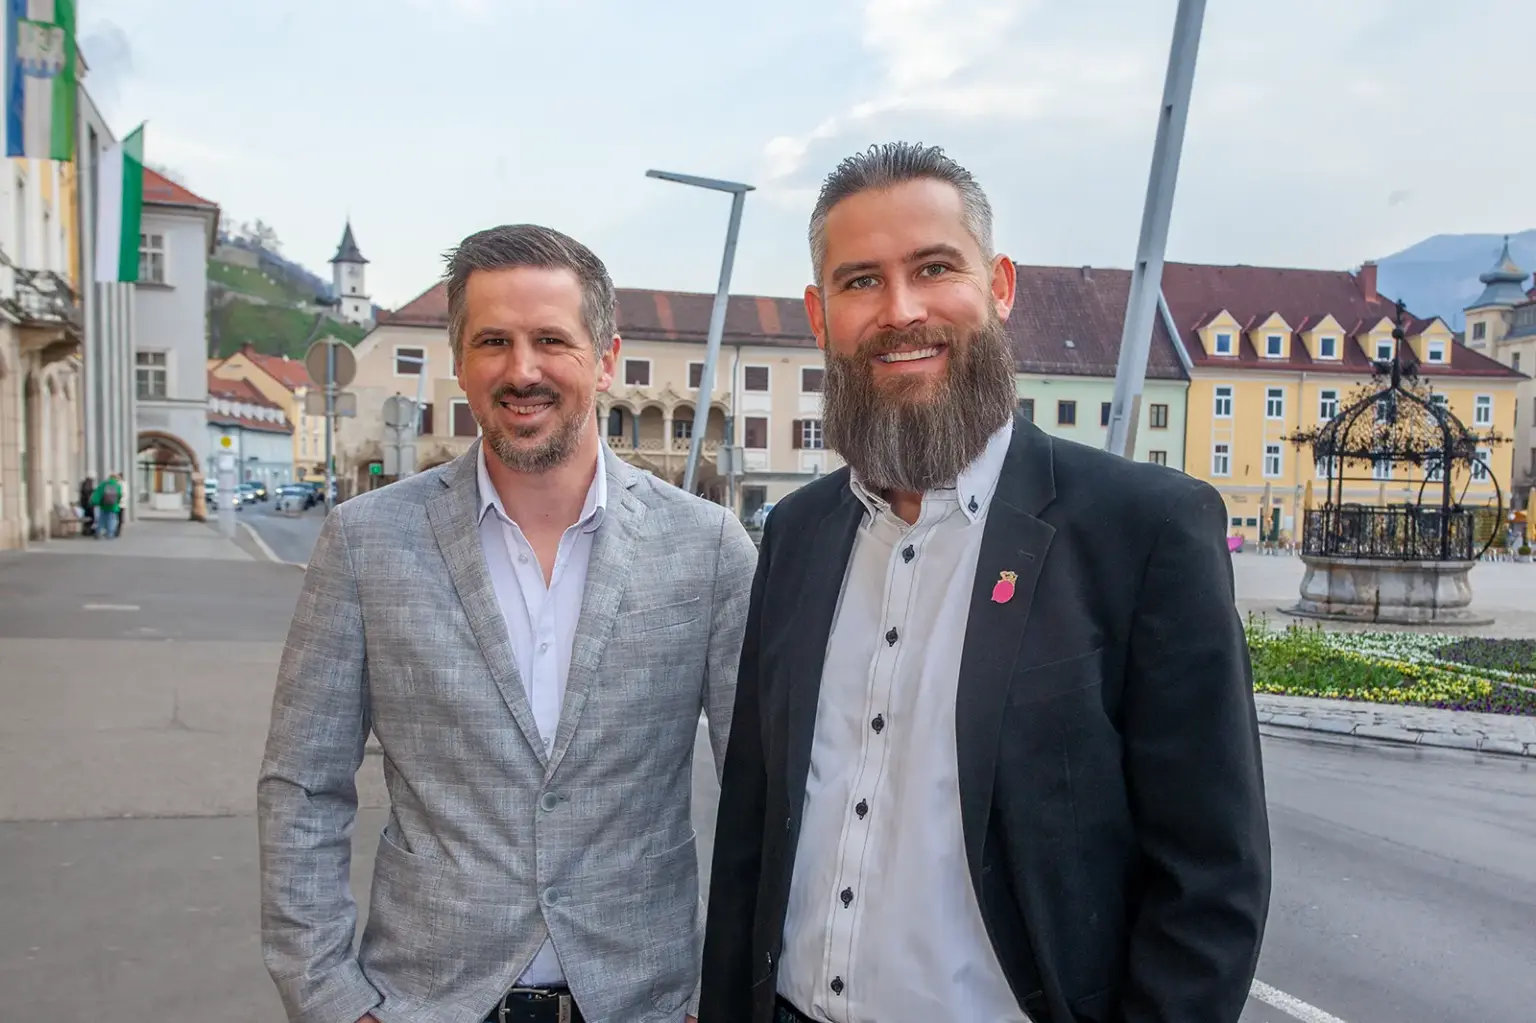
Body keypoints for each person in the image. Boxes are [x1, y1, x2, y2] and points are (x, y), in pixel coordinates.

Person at [699, 143, 1271, 1023]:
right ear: (819, 314)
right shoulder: (798, 533)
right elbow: (752, 823)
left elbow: (1209, 881)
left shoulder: (1142, 532)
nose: (901, 311)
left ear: (999, 284)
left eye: (935, 268)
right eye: (860, 282)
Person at [258, 224, 757, 1023]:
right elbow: (302, 786)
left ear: (604, 357)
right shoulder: (365, 542)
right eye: (493, 340)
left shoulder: (708, 549)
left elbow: (758, 801)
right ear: (460, 361)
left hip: (649, 1003)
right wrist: (330, 997)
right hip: (425, 1000)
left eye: (551, 340)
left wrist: (723, 991)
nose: (521, 369)